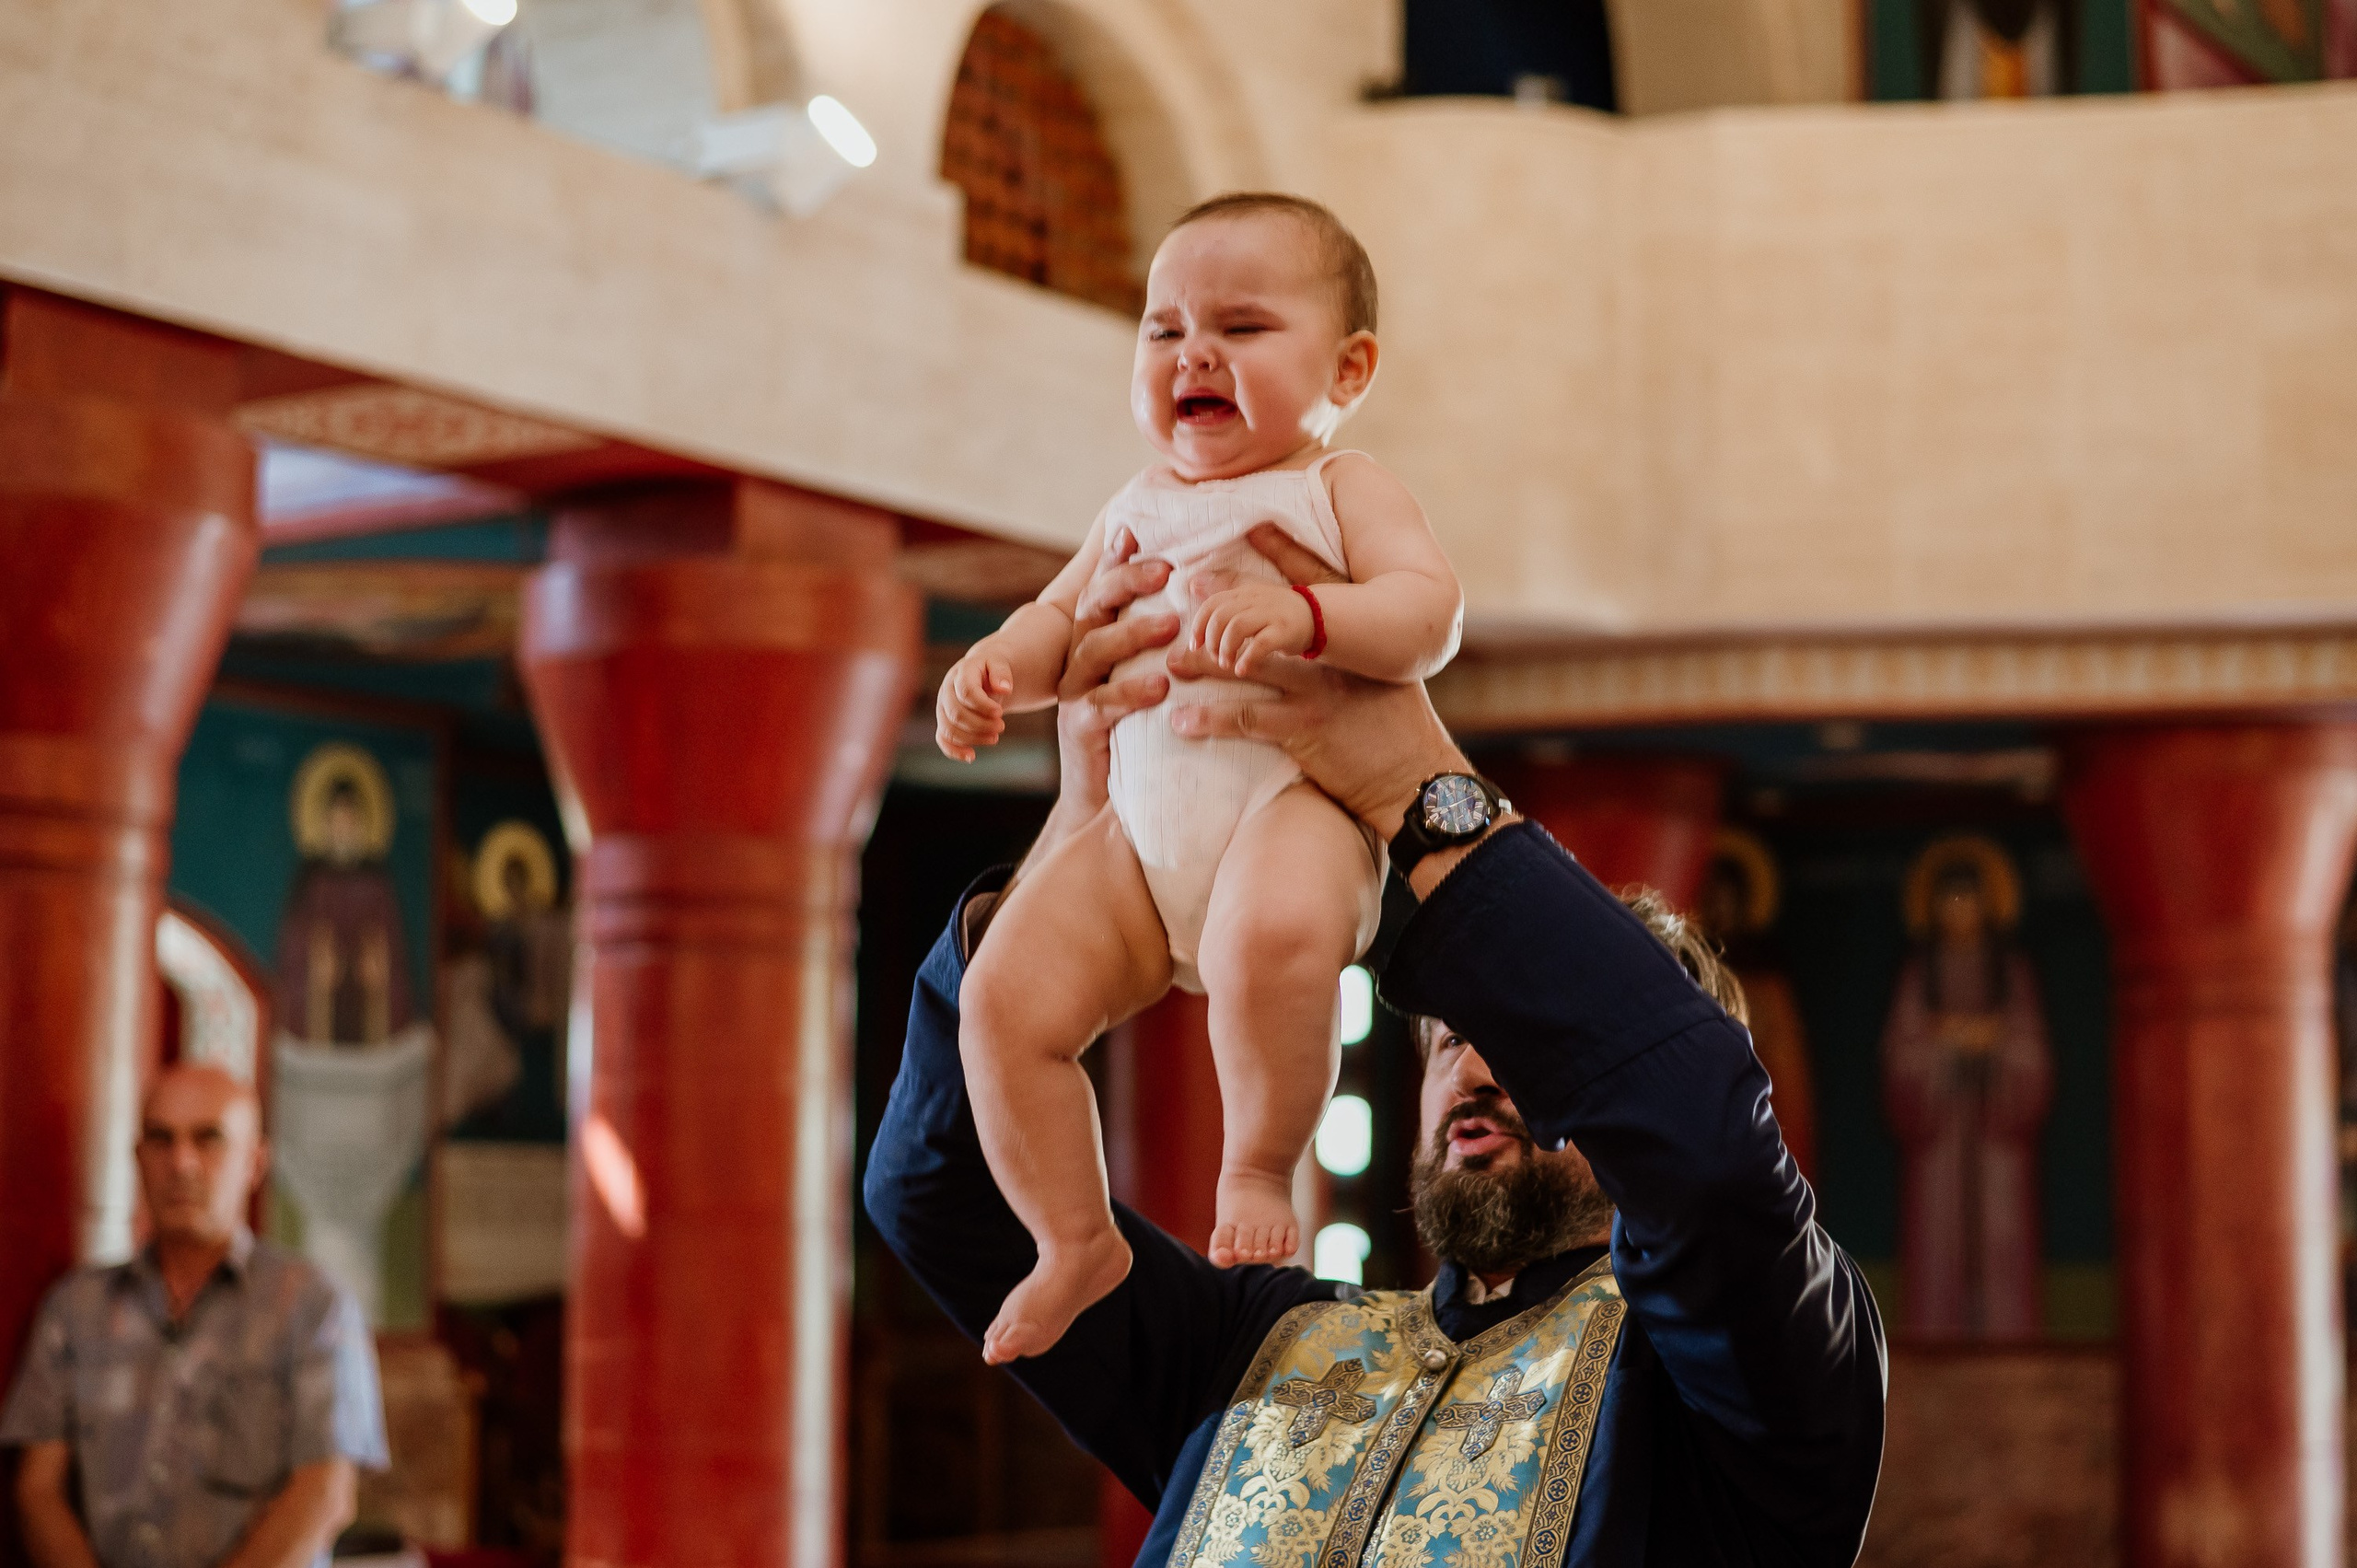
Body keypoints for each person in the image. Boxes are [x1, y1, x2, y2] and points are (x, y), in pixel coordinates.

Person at [866, 539, 1886, 1562]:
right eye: (1450, 1039)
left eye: (1531, 1051)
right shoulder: (1254, 1346)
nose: (1475, 1072)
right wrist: (1084, 830)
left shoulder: (1732, 1379)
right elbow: (937, 1187)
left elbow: (1707, 1157)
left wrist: (1416, 784)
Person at [934, 191, 1463, 1363]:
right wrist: (996, 671)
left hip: (1293, 809)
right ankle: (1075, 1236)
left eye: (1240, 324)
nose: (1195, 352)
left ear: (1349, 367)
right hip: (1134, 838)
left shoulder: (1338, 488)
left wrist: (1311, 613)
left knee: (1267, 938)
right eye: (1163, 329)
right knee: (1000, 1001)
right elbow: (1057, 619)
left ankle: (1258, 1160)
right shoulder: (1132, 507)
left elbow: (1426, 615)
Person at [3, 1064, 389, 1568]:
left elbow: (326, 1493)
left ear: (254, 1162)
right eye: (161, 1139)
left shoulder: (313, 1306)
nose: (181, 1163)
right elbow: (38, 1488)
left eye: (208, 1139)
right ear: (138, 1158)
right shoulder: (74, 1309)